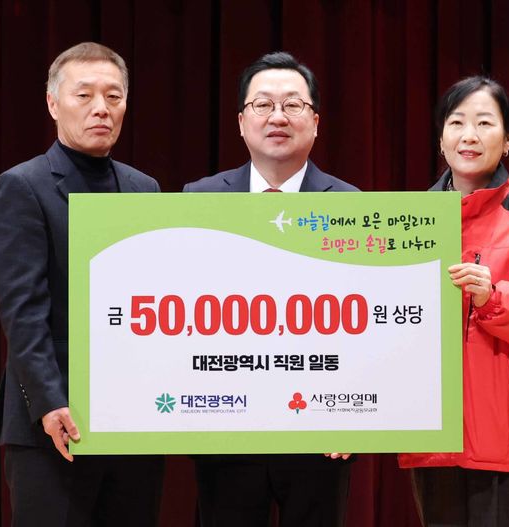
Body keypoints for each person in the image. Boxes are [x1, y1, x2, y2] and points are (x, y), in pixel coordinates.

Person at [0, 42, 164, 526]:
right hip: (55, 423)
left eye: (113, 96)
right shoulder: (22, 186)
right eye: (83, 95)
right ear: (52, 103)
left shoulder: (145, 189)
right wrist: (50, 402)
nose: (100, 108)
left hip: (133, 420)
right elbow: (23, 312)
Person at [183, 51, 357, 527]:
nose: (277, 117)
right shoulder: (199, 200)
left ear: (315, 122)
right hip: (225, 429)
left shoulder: (352, 206)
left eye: (293, 105)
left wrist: (358, 413)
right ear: (242, 122)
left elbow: (364, 325)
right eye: (263, 105)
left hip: (321, 433)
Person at [398, 76, 509, 527]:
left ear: (508, 141)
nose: (470, 135)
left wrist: (493, 299)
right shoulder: (406, 222)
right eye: (457, 122)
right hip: (434, 437)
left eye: (484, 123)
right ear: (441, 140)